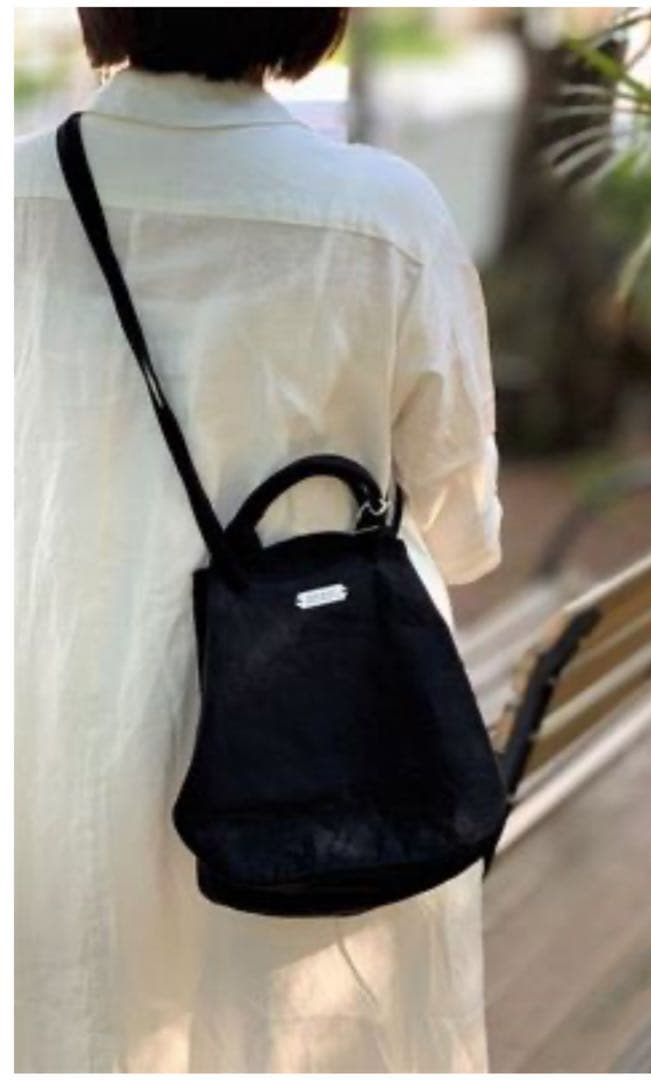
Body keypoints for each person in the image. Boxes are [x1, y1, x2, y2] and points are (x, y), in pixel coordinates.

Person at [15, 9, 503, 1073]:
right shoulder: (384, 215)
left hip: (55, 741)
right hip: (320, 759)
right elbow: (463, 520)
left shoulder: (16, 199)